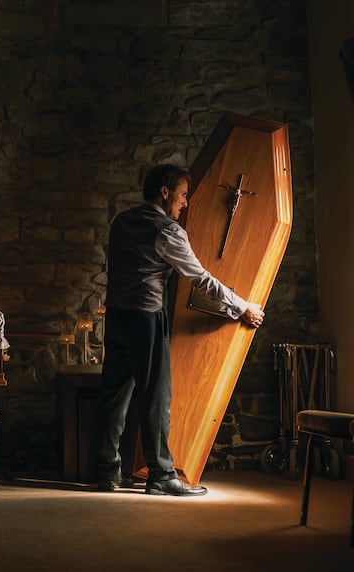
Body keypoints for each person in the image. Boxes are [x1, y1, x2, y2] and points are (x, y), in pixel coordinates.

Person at [96, 164, 264, 496]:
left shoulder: (121, 222)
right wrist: (243, 307)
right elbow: (200, 279)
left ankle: (107, 474)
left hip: (115, 317)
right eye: (183, 195)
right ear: (165, 192)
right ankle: (161, 475)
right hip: (146, 318)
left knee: (113, 396)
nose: (185, 203)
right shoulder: (167, 231)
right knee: (156, 398)